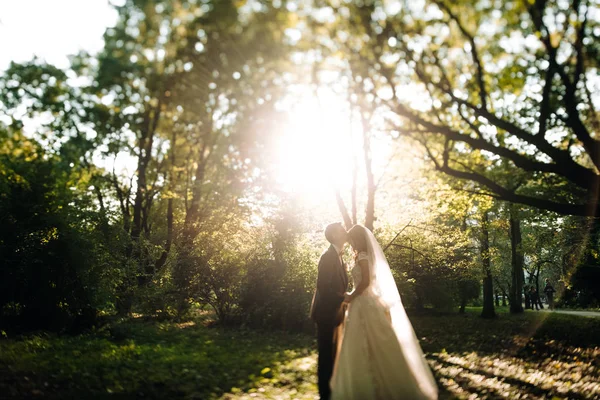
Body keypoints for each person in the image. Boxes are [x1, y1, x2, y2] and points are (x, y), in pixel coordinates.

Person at [330, 224, 438, 400]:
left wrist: (351, 295)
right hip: (361, 303)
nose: (350, 243)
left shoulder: (364, 256)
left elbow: (365, 282)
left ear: (358, 239)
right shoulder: (360, 256)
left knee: (372, 341)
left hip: (364, 303)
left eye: (351, 239)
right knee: (364, 342)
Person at [310, 222, 349, 400]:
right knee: (326, 353)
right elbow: (324, 288)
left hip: (335, 312)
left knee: (333, 353)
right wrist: (344, 298)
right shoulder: (327, 257)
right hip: (325, 313)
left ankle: (331, 390)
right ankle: (324, 394)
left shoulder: (340, 256)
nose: (345, 232)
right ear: (334, 235)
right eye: (342, 230)